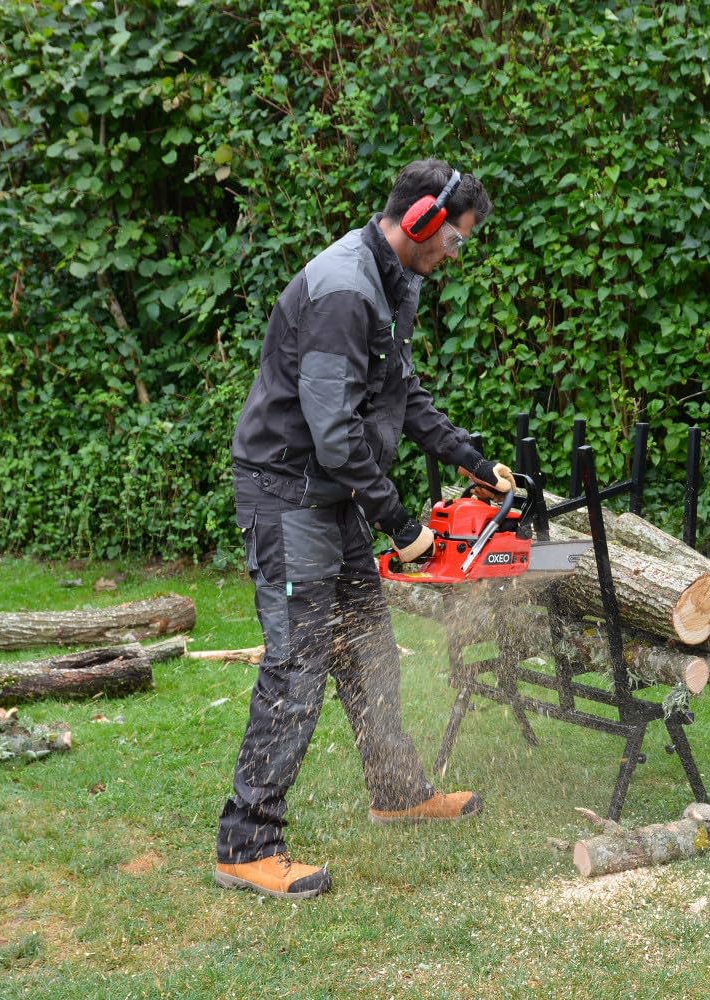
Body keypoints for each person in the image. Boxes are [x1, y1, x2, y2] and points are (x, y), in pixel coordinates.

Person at [213, 159, 514, 900]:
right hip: (288, 493)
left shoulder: (394, 284)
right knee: (298, 665)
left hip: (331, 494)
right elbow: (336, 434)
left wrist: (473, 461)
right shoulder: (346, 289)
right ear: (418, 221)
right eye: (454, 239)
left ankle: (399, 791)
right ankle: (246, 842)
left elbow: (401, 396)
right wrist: (405, 526)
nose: (454, 254)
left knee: (369, 649)